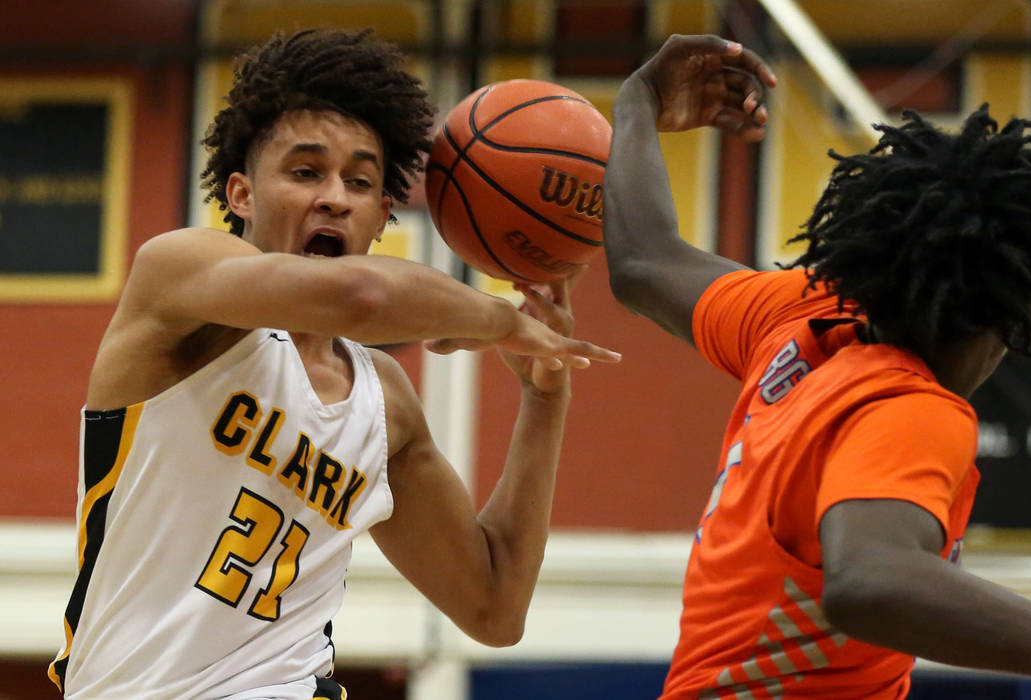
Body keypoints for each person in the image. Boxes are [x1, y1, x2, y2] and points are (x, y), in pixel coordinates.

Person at [48, 28, 619, 699]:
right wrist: (502, 319)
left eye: (360, 181)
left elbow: (495, 607)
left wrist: (545, 398)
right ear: (240, 195)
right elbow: (362, 296)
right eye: (304, 172)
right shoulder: (178, 280)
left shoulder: (386, 402)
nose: (334, 197)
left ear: (382, 217)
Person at [604, 33, 1031, 699]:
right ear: (1005, 318)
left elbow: (642, 260)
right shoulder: (913, 409)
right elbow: (869, 581)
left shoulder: (799, 317)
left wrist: (637, 101)